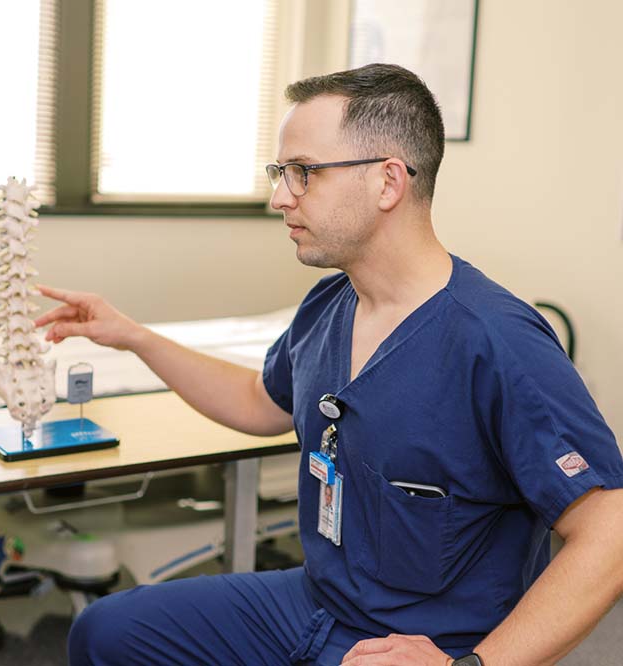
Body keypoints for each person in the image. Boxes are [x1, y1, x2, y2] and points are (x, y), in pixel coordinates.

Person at [37, 64, 623, 666]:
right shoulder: (329, 304)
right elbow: (257, 403)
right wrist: (133, 337)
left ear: (388, 181)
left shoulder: (496, 340)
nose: (279, 196)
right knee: (105, 632)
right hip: (317, 603)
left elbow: (610, 530)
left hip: (428, 642)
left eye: (303, 173)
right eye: (280, 173)